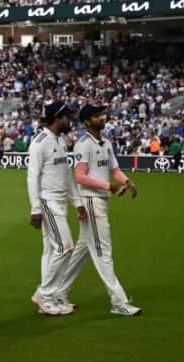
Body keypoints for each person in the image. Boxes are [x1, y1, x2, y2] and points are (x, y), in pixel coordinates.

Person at [59, 104, 142, 316]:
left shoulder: (105, 143)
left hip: (100, 201)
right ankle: (119, 302)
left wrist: (127, 181)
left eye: (102, 114)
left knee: (84, 250)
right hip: (91, 201)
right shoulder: (83, 144)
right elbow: (80, 176)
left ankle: (56, 292)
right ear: (87, 121)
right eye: (97, 116)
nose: (101, 118)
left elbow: (114, 169)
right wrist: (110, 187)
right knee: (103, 252)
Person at [26, 102, 83, 316]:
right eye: (67, 117)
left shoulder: (60, 140)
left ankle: (52, 297)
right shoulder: (39, 143)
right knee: (65, 246)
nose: (70, 121)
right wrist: (35, 208)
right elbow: (32, 176)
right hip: (47, 202)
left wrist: (76, 201)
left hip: (60, 202)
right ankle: (44, 294)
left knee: (51, 250)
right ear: (57, 119)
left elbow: (66, 175)